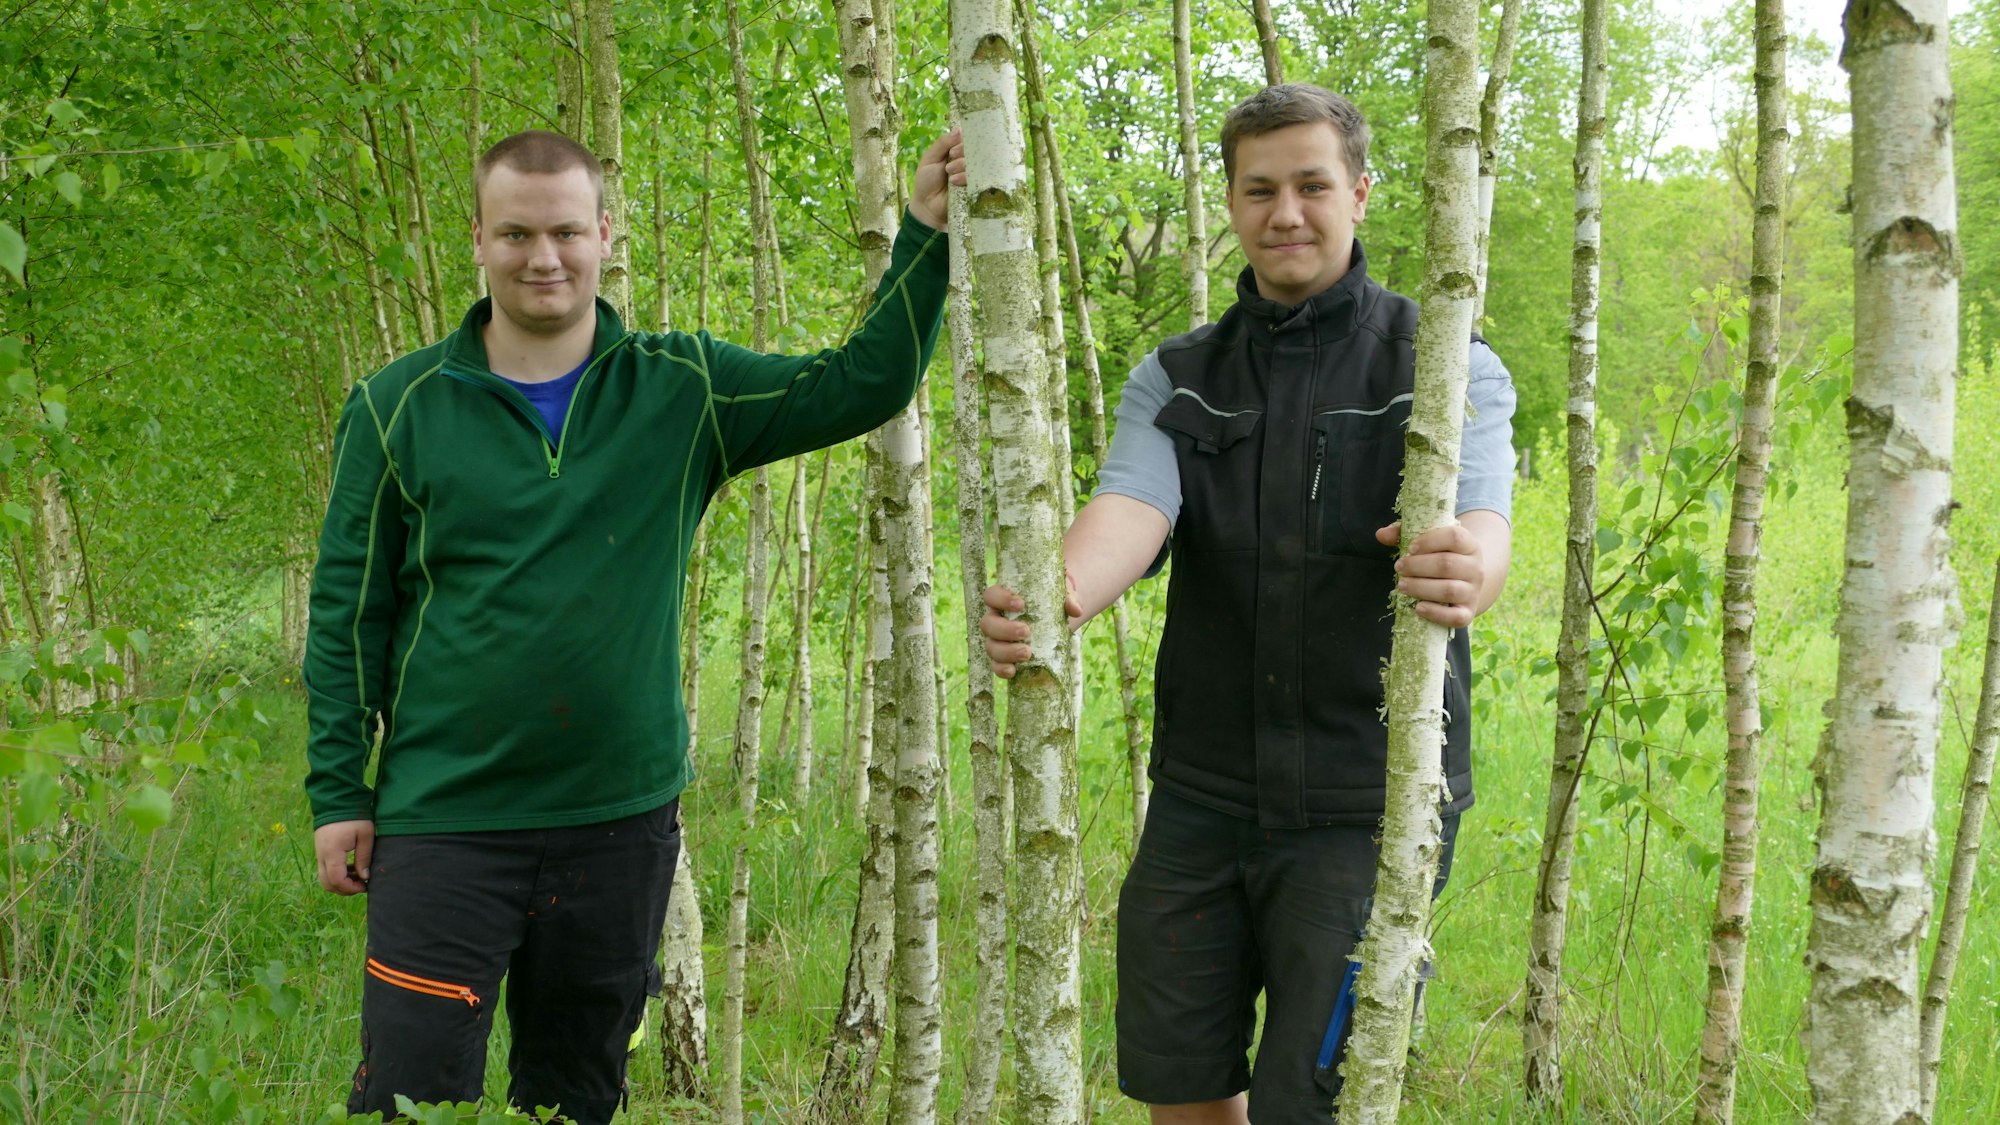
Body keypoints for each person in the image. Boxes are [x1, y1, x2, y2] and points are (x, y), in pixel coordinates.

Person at [304, 127, 962, 1122]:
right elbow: (349, 614)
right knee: (406, 1100)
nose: (544, 257)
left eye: (566, 232)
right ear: (477, 240)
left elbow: (858, 383)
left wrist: (925, 230)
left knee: (575, 1101)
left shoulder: (681, 387)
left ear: (605, 236)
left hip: (616, 827)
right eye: (516, 233)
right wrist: (336, 791)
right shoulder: (397, 407)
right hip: (444, 825)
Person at [980, 85, 1516, 1124]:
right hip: (1201, 798)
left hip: (1369, 811)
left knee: (1311, 1105)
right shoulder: (1178, 375)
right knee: (1179, 1086)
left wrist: (1467, 569)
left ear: (1359, 194)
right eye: (1259, 190)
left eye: (1312, 185)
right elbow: (1130, 507)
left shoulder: (1446, 364)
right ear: (1229, 203)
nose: (1287, 213)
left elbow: (1482, 526)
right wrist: (1056, 595)